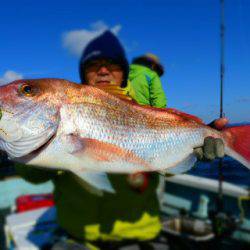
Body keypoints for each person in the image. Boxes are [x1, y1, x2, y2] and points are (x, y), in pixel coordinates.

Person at [15, 30, 226, 250]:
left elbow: (167, 167)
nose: (104, 70)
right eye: (93, 65)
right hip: (78, 238)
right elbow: (32, 176)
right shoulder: (66, 106)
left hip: (140, 237)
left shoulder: (148, 112)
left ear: (124, 72)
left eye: (113, 64)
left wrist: (196, 149)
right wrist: (16, 144)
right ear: (84, 73)